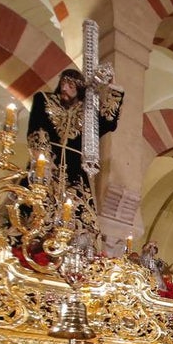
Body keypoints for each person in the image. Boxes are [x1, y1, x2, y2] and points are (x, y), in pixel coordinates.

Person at [25, 68, 123, 233]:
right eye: (63, 83)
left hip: (74, 171)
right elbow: (37, 129)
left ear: (79, 89)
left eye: (70, 85)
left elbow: (108, 122)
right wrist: (44, 159)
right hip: (47, 165)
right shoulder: (44, 100)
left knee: (82, 220)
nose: (64, 88)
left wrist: (113, 88)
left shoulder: (87, 113)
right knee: (34, 206)